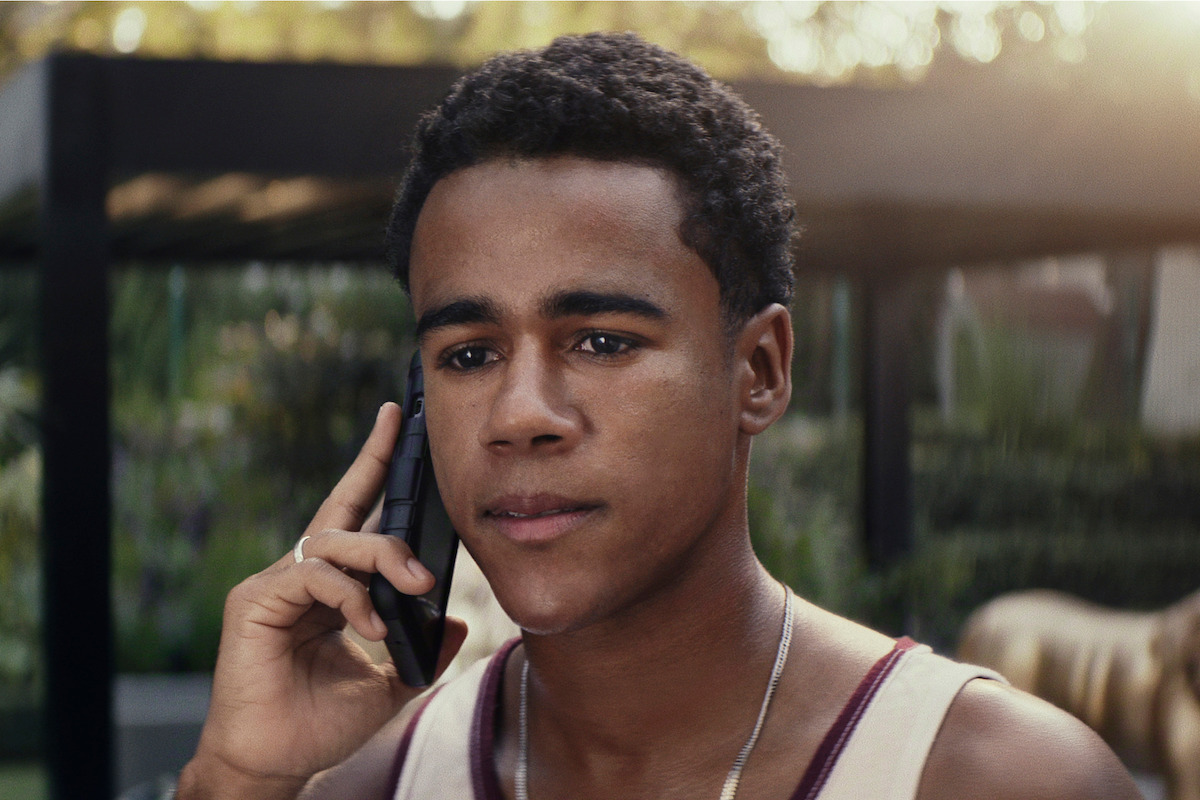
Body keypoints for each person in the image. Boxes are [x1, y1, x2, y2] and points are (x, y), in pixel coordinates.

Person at [179, 32, 1141, 800]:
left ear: (759, 371)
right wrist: (236, 781)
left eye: (601, 340)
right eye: (470, 354)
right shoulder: (378, 782)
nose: (520, 416)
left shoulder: (992, 778)